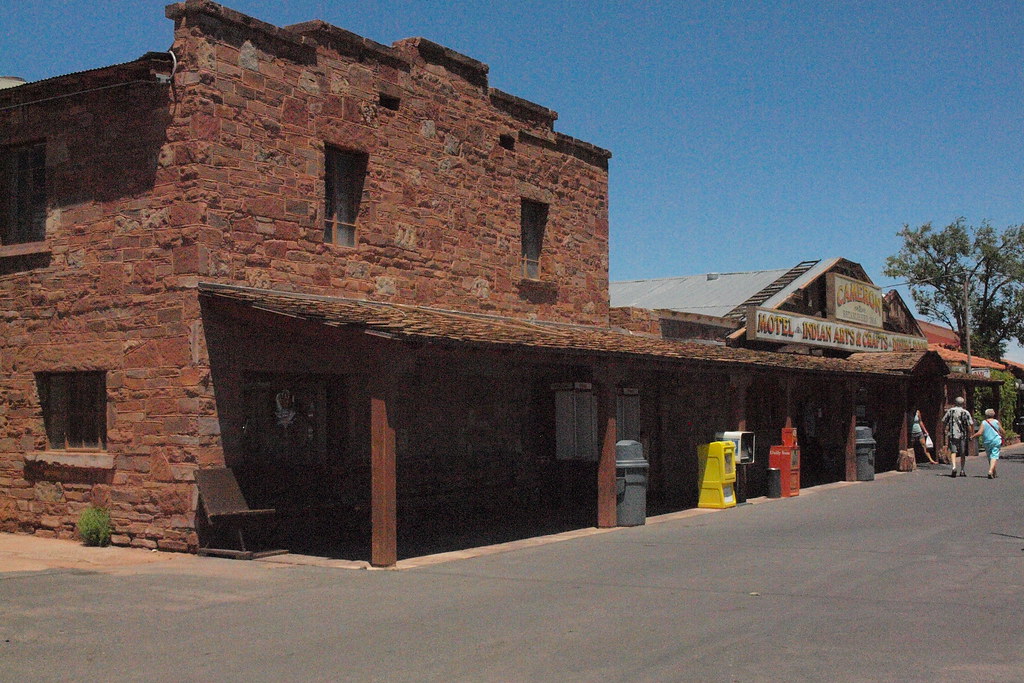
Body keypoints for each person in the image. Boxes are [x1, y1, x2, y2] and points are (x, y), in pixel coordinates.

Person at [942, 397, 974, 477]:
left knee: (953, 451)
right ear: (963, 403)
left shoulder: (951, 411)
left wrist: (945, 430)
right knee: (962, 452)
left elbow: (944, 421)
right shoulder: (965, 412)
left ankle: (954, 467)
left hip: (953, 434)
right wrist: (970, 434)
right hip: (962, 435)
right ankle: (962, 470)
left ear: (955, 403)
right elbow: (969, 425)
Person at [973, 408, 1004, 479]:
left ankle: (994, 472)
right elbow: (1002, 430)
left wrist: (972, 436)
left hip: (987, 441)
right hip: (996, 440)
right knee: (994, 456)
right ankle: (990, 471)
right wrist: (1003, 434)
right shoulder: (996, 422)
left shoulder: (984, 422)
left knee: (990, 456)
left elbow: (980, 432)